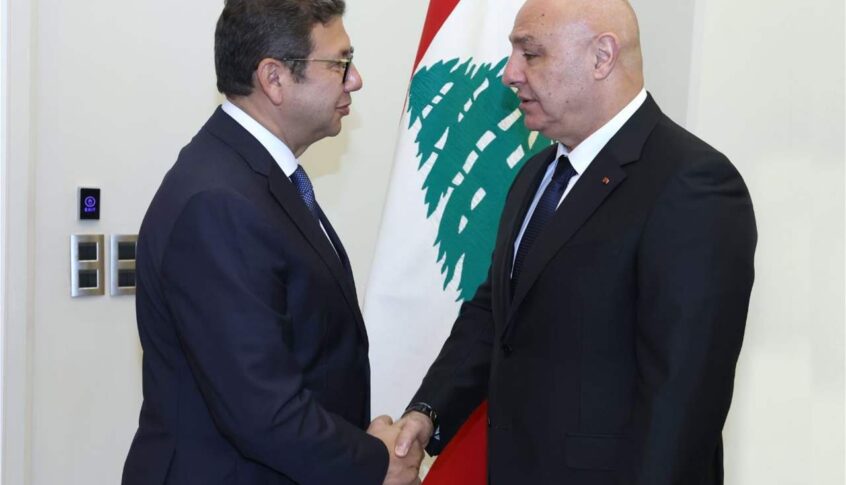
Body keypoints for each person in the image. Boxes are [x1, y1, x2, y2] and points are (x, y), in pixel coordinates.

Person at [393, 0, 757, 483]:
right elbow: (496, 314)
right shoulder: (535, 175)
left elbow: (683, 399)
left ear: (602, 57)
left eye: (531, 54)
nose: (509, 74)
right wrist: (427, 413)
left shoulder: (691, 182)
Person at [122, 1, 421, 483]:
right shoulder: (220, 201)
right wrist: (375, 461)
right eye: (340, 63)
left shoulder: (251, 177)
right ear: (274, 78)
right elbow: (262, 409)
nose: (356, 80)